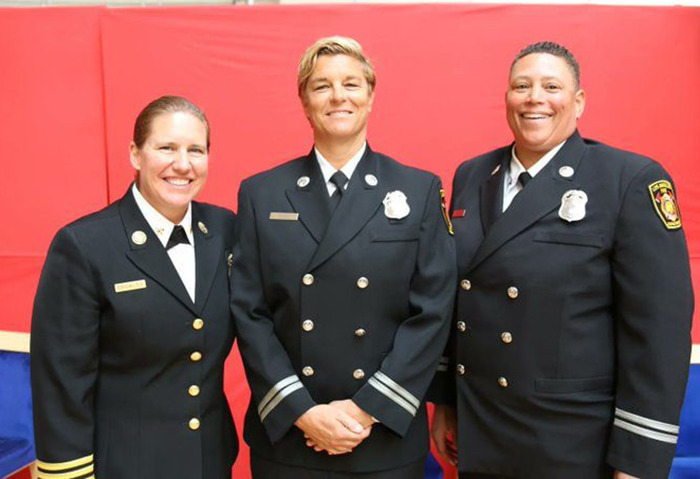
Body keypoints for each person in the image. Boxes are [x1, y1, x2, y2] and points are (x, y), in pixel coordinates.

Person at [430, 41, 694, 479]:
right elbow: (454, 300)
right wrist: (446, 403)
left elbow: (658, 332)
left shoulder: (627, 180)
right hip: (481, 430)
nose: (535, 98)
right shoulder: (472, 174)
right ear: (507, 97)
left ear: (579, 101)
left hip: (572, 442)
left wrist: (639, 462)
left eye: (551, 86)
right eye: (522, 86)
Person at [231, 36, 456, 478]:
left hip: (382, 434)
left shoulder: (418, 189)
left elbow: (433, 311)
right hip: (291, 435)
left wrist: (366, 411)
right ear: (304, 101)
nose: (338, 96)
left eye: (351, 84)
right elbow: (248, 312)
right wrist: (301, 411)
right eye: (322, 86)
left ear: (370, 96)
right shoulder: (261, 193)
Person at [31, 95, 238, 479]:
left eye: (196, 150)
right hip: (124, 466)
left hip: (209, 461)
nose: (183, 164)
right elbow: (61, 381)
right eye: (166, 148)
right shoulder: (84, 244)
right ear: (135, 154)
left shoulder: (225, 230)